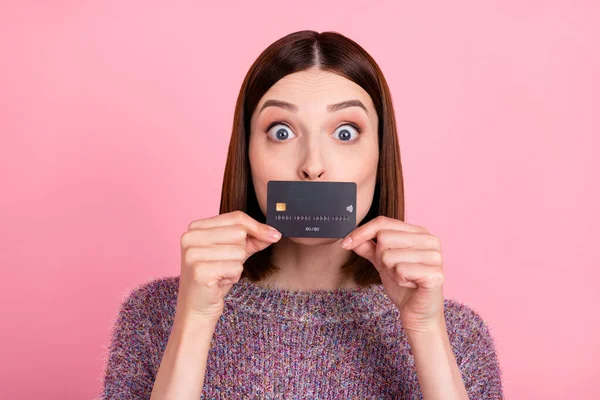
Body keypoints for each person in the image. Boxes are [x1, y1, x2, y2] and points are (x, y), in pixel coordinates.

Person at [99, 30, 503, 399]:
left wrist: (426, 330)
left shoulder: (458, 335)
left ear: (380, 156)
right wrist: (196, 319)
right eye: (281, 131)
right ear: (247, 154)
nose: (312, 164)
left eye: (345, 132)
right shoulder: (156, 315)